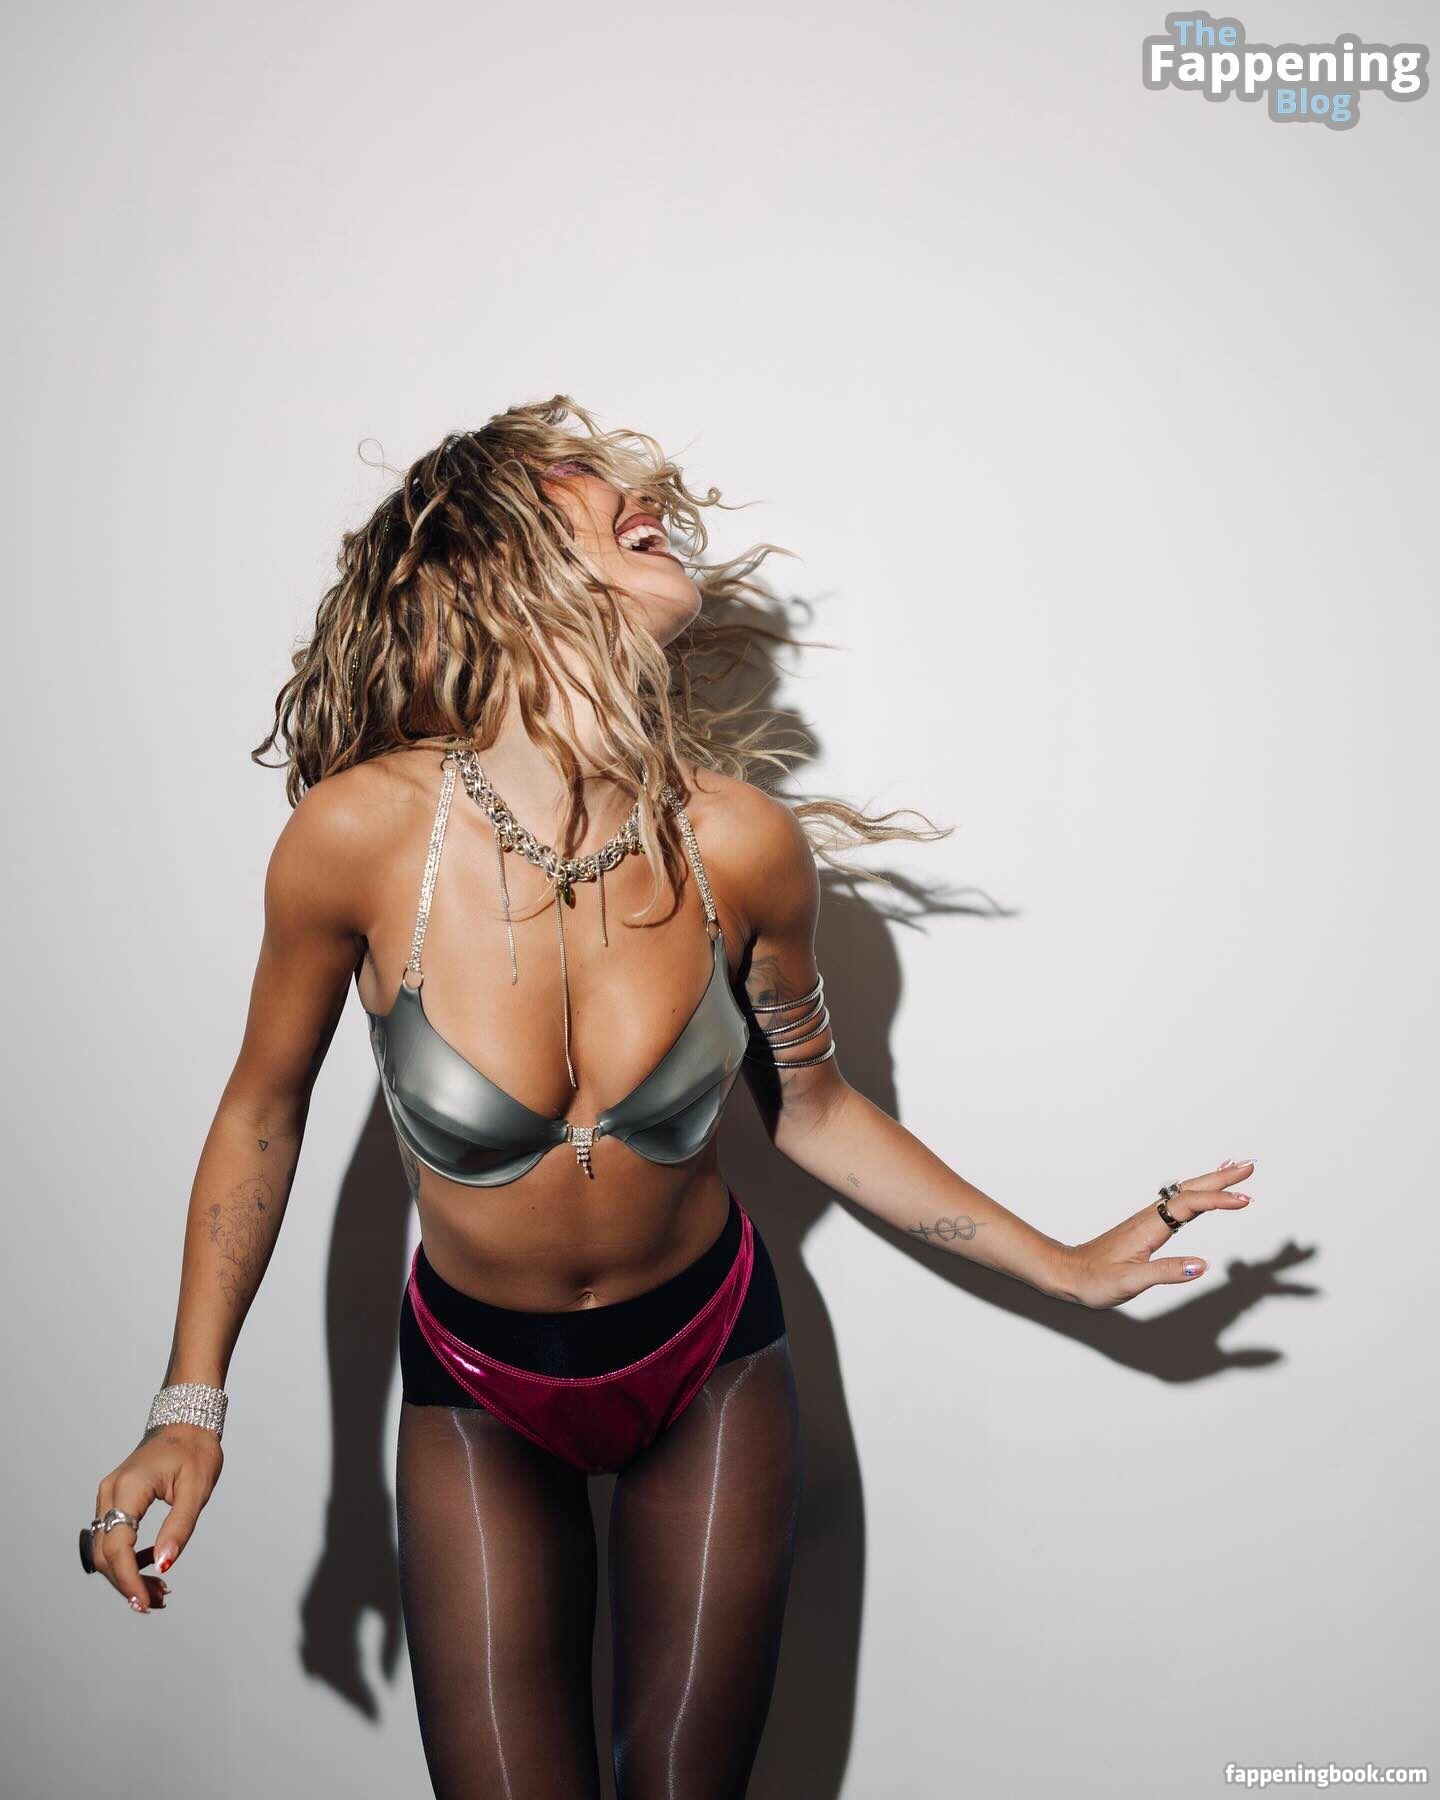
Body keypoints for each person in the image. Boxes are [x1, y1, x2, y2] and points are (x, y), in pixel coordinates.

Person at [82, 395, 1256, 1799]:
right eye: (578, 483)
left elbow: (813, 1110)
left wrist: (1062, 1266)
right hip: (474, 1386)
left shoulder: (739, 845)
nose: (639, 498)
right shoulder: (360, 839)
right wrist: (190, 1405)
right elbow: (262, 1114)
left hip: (712, 1365)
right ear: (483, 561)